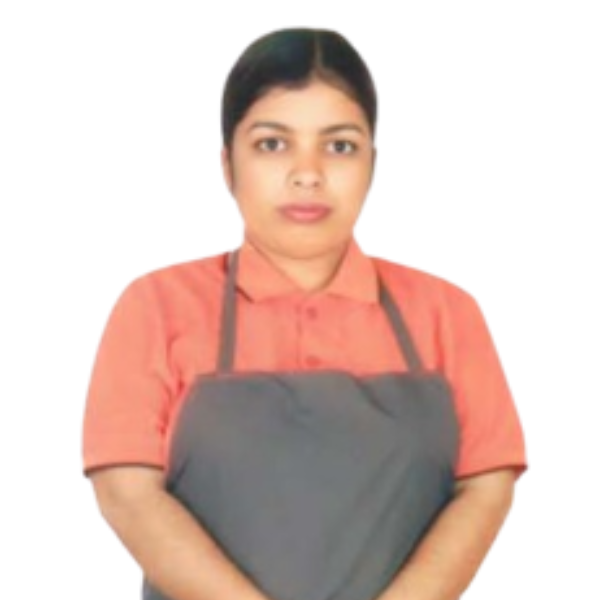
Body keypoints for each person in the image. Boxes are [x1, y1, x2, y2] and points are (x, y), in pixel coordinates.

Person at [81, 27, 528, 600]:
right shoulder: (156, 307)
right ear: (227, 165)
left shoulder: (447, 314)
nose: (308, 172)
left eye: (339, 146)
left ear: (372, 163)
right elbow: (127, 495)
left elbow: (485, 488)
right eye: (273, 144)